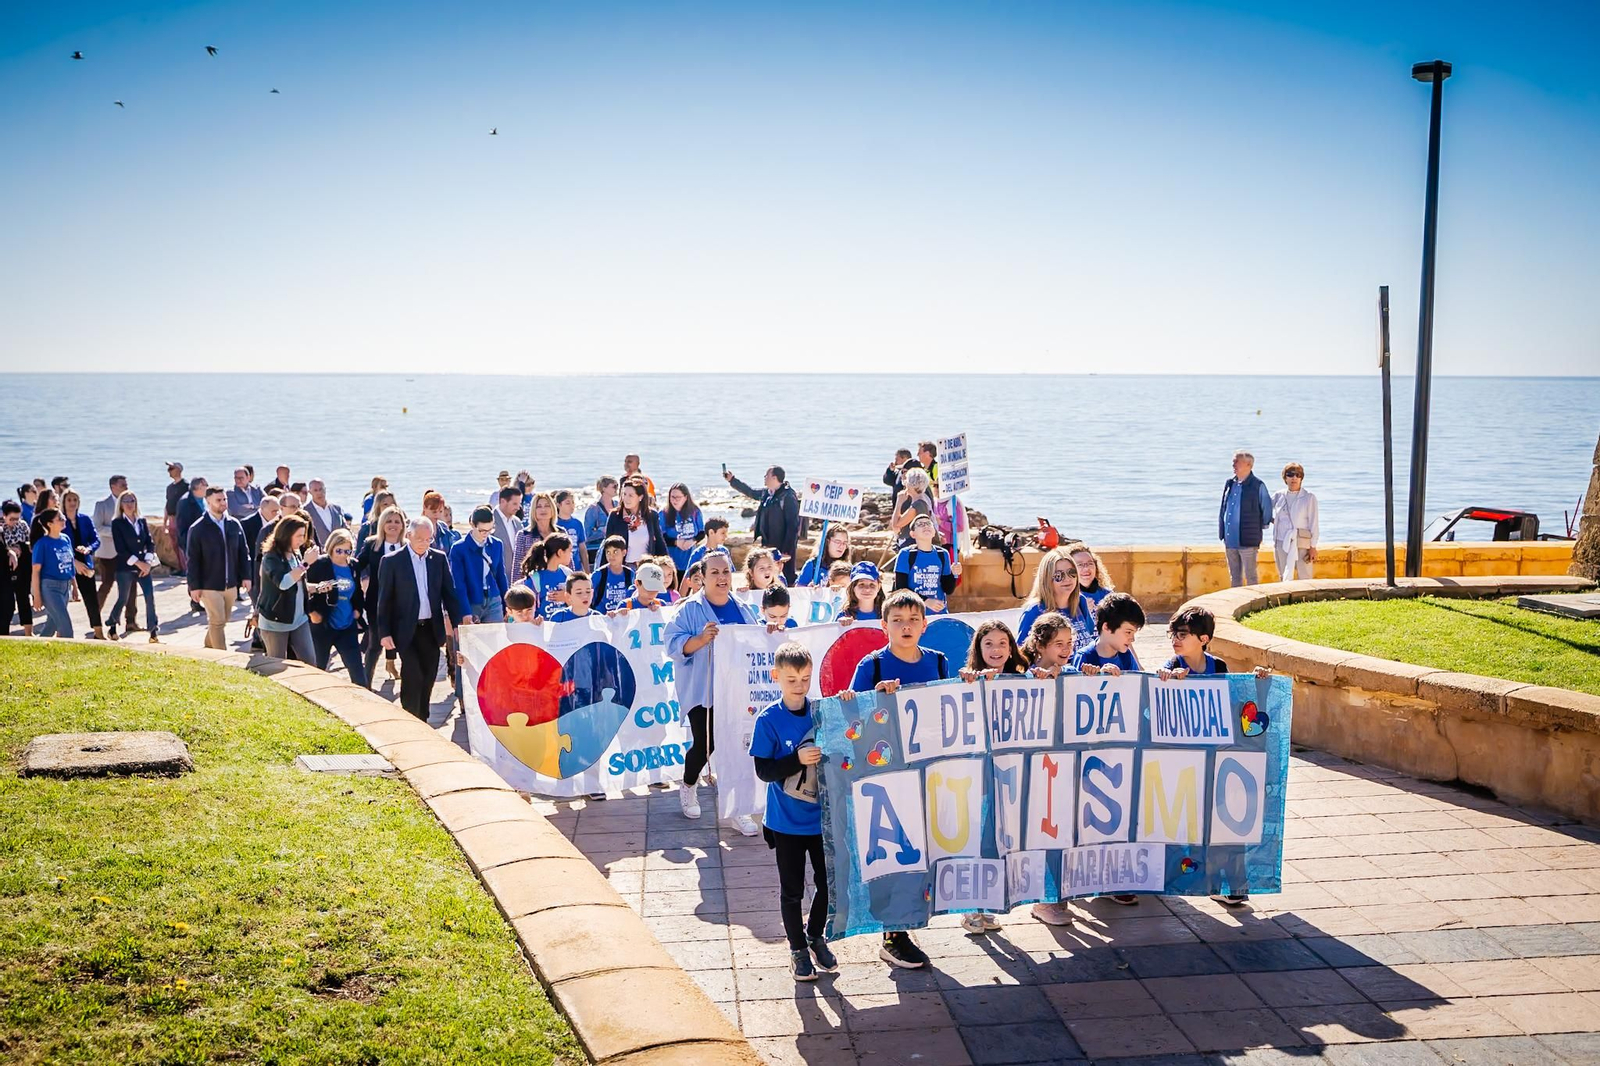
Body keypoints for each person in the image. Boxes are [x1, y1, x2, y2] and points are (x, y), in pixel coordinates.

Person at [838, 588, 940, 970]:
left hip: (928, 772)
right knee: (895, 850)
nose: (906, 626)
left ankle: (909, 919)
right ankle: (893, 935)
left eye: (913, 620)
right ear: (884, 626)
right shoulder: (873, 666)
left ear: (924, 625)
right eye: (897, 620)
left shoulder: (939, 662)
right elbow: (850, 718)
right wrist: (873, 700)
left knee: (924, 850)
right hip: (887, 775)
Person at [749, 641, 838, 982]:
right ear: (776, 676)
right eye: (791, 680)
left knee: (828, 884)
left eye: (804, 679)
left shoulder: (822, 712)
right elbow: (764, 771)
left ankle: (815, 935)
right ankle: (797, 950)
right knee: (792, 890)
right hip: (785, 823)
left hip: (821, 820)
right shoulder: (768, 720)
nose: (799, 686)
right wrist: (796, 760)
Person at [664, 550, 760, 830]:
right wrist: (701, 639)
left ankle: (739, 808)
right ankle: (688, 784)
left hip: (736, 690)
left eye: (726, 571)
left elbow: (755, 642)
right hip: (702, 690)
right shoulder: (688, 609)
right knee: (705, 744)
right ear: (702, 578)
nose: (721, 577)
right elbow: (673, 645)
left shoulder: (743, 608)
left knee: (739, 746)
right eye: (715, 572)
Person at [374, 516, 461, 719]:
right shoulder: (392, 561)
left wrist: (457, 624)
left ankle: (422, 717)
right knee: (413, 675)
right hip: (405, 630)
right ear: (408, 535)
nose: (424, 543)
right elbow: (384, 600)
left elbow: (449, 594)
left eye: (428, 539)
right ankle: (411, 717)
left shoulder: (438, 559)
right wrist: (384, 632)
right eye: (419, 538)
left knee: (429, 675)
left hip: (431, 629)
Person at [186, 485, 252, 649]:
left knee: (223, 620)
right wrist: (194, 586)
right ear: (208, 502)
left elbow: (243, 552)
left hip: (231, 584)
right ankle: (222, 657)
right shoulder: (198, 528)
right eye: (218, 500)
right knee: (217, 621)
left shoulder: (234, 524)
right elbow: (192, 560)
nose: (223, 503)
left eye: (224, 499)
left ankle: (208, 647)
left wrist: (246, 576)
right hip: (209, 585)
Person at [306, 528, 366, 685]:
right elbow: (304, 590)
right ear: (331, 547)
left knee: (358, 673)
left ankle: (363, 697)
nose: (343, 555)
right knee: (317, 669)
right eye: (339, 550)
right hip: (323, 625)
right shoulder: (319, 564)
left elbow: (358, 592)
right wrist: (312, 613)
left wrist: (358, 611)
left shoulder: (353, 565)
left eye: (347, 551)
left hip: (347, 625)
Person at [357, 505, 409, 686]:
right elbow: (357, 565)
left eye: (397, 521)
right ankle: (365, 684)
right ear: (382, 524)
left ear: (402, 525)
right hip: (376, 604)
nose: (393, 525)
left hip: (402, 606)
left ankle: (408, 684)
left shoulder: (408, 546)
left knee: (404, 645)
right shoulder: (372, 544)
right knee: (375, 644)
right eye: (389, 521)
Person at [255, 514, 318, 663]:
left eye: (304, 535)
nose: (302, 540)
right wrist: (305, 564)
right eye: (299, 536)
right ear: (286, 535)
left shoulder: (295, 553)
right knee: (276, 664)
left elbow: (297, 585)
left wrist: (318, 587)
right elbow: (283, 583)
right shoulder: (271, 557)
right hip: (275, 621)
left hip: (299, 619)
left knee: (310, 662)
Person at [724, 465, 802, 584]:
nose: (764, 477)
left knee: (787, 576)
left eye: (767, 475)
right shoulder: (766, 494)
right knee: (767, 576)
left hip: (783, 545)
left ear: (774, 478)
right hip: (767, 542)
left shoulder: (788, 496)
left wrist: (787, 550)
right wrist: (732, 480)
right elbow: (750, 492)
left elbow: (793, 526)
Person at [107, 490, 161, 642]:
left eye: (132, 501)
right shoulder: (117, 523)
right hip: (126, 567)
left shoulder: (141, 521)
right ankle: (112, 625)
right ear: (121, 505)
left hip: (144, 567)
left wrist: (147, 563)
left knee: (149, 597)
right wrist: (139, 563)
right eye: (126, 501)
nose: (129, 504)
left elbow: (149, 543)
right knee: (123, 598)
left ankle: (153, 632)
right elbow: (120, 549)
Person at [1018, 546, 1095, 652]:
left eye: (1071, 573)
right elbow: (1022, 652)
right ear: (1047, 579)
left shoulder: (1081, 601)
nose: (1067, 579)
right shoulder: (1034, 611)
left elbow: (1091, 639)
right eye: (1059, 575)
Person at [1220, 450, 1274, 587]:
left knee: (1251, 576)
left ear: (1249, 465)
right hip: (1230, 539)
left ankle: (1255, 600)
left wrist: (1260, 527)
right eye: (1233, 461)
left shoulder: (1258, 485)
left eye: (1237, 461)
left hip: (1248, 539)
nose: (1233, 464)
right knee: (1234, 576)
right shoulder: (1230, 483)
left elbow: (1266, 508)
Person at [60, 491, 107, 640]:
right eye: (69, 500)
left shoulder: (85, 519)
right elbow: (59, 544)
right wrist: (73, 561)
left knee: (91, 599)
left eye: (75, 499)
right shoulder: (59, 521)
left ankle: (98, 632)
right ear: (63, 502)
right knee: (61, 600)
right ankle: (59, 632)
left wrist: (88, 549)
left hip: (85, 564)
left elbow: (96, 539)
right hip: (65, 564)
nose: (72, 503)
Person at [451, 506, 509, 624]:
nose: (486, 534)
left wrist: (507, 605)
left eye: (490, 529)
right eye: (482, 530)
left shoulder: (497, 544)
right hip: (472, 601)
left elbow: (501, 576)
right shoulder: (458, 548)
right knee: (472, 636)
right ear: (472, 525)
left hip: (494, 599)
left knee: (496, 635)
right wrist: (465, 612)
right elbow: (459, 583)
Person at [893, 514, 960, 616]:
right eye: (920, 524)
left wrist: (954, 574)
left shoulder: (942, 554)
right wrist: (925, 601)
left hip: (939, 614)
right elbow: (901, 588)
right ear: (913, 534)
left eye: (929, 524)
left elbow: (948, 589)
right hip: (913, 615)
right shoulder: (906, 554)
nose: (925, 526)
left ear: (934, 532)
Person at [92, 475, 135, 632]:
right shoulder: (102, 505)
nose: (126, 487)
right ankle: (95, 618)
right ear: (113, 487)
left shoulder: (131, 503)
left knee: (131, 586)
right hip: (108, 553)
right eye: (123, 485)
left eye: (126, 484)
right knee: (106, 584)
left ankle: (131, 621)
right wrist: (118, 533)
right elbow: (98, 527)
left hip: (127, 553)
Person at [1073, 592, 1145, 676]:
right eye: (1128, 632)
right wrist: (1100, 676)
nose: (1132, 639)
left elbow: (1135, 682)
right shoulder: (1084, 657)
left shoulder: (1126, 656)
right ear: (1107, 627)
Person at [30, 508, 76, 638]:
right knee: (66, 627)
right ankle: (70, 649)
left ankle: (39, 647)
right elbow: (35, 572)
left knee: (52, 625)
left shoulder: (66, 539)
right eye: (60, 519)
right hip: (50, 588)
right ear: (49, 524)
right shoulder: (42, 544)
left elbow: (70, 564)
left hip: (65, 586)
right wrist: (37, 596)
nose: (64, 520)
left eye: (63, 517)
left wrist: (74, 586)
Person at [1272, 463, 1320, 581]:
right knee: (1284, 575)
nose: (1294, 478)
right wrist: (1275, 521)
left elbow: (1314, 523)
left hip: (1302, 541)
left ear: (1301, 478)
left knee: (1305, 576)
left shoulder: (1309, 497)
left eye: (1298, 475)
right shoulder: (1278, 496)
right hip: (1281, 540)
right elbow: (1263, 510)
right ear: (1285, 478)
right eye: (1290, 475)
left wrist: (1313, 546)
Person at [606, 478, 667, 564]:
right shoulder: (615, 516)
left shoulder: (651, 515)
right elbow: (608, 544)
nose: (626, 498)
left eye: (630, 495)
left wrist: (666, 563)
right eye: (624, 494)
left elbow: (660, 543)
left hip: (646, 565)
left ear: (640, 497)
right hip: (623, 566)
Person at [520, 533, 573, 622]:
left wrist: (567, 598)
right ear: (560, 552)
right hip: (542, 628)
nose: (571, 554)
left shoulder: (567, 574)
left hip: (565, 627)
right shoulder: (535, 579)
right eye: (570, 551)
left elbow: (577, 606)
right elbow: (525, 608)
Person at [513, 492, 562, 578]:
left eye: (547, 506)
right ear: (533, 511)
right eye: (539, 507)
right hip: (532, 582)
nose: (543, 509)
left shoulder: (561, 533)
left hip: (558, 582)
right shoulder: (523, 535)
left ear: (552, 509)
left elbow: (569, 564)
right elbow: (517, 568)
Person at [659, 483, 704, 576]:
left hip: (691, 561)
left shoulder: (695, 511)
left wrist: (693, 541)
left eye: (678, 497)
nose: (674, 500)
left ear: (685, 497)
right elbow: (661, 537)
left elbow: (701, 533)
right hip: (671, 563)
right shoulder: (663, 513)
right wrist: (676, 542)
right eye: (672, 497)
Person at [960, 620, 1028, 682]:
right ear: (979, 649)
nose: (996, 649)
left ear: (1010, 649)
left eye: (1002, 643)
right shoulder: (968, 679)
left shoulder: (1022, 681)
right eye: (988, 643)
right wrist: (971, 679)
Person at [889, 467, 934, 550]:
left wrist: (899, 502)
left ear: (912, 484)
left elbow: (896, 525)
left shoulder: (918, 505)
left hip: (912, 546)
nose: (905, 483)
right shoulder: (922, 501)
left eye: (907, 480)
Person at [489, 486, 525, 587]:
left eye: (519, 503)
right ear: (503, 501)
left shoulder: (517, 522)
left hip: (517, 581)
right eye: (514, 504)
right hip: (495, 581)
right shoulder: (489, 520)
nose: (518, 507)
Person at [590, 535, 635, 613]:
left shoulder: (630, 573)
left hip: (624, 615)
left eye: (615, 552)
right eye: (608, 552)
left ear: (624, 552)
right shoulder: (599, 574)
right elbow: (588, 595)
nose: (611, 556)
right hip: (603, 616)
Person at [582, 477, 618, 562]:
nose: (617, 489)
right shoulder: (593, 509)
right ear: (604, 488)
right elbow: (587, 535)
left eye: (617, 486)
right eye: (614, 486)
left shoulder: (617, 505)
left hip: (616, 547)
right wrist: (603, 531)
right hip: (597, 549)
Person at [305, 479, 349, 545]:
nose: (319, 493)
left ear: (325, 489)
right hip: (318, 550)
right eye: (315, 490)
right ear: (310, 492)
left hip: (339, 548)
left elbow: (345, 529)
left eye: (321, 489)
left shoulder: (337, 509)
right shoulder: (306, 511)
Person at [163, 462, 188, 575]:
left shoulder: (186, 486)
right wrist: (165, 521)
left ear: (179, 470)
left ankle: (187, 568)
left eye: (171, 468)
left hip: (182, 518)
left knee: (182, 543)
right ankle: (181, 568)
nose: (169, 471)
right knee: (175, 544)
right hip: (172, 518)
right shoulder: (170, 488)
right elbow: (167, 504)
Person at [554, 490, 588, 571]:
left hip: (577, 568)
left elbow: (582, 549)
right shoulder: (554, 524)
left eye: (573, 502)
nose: (572, 505)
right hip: (560, 569)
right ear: (558, 505)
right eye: (568, 503)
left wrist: (587, 570)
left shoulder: (577, 523)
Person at [881, 447, 915, 514]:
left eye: (897, 459)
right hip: (898, 506)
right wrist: (890, 471)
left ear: (904, 458)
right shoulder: (899, 472)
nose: (895, 462)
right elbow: (887, 481)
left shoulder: (913, 473)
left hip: (908, 508)